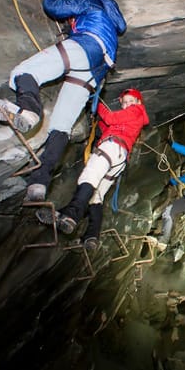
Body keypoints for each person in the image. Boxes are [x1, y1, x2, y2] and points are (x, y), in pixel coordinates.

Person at [0, 0, 127, 203]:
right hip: (98, 70)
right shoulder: (113, 25)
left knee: (24, 73)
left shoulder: (90, 1)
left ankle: (29, 111)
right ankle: (39, 183)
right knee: (61, 125)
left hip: (85, 46)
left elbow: (56, 7)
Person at [36, 88, 149, 250]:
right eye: (124, 102)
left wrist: (96, 103)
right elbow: (109, 125)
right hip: (119, 159)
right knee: (97, 196)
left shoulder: (136, 110)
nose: (127, 105)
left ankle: (71, 214)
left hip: (112, 148)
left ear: (138, 102)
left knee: (88, 177)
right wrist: (96, 118)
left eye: (131, 101)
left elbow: (110, 118)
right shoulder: (134, 117)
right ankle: (92, 235)